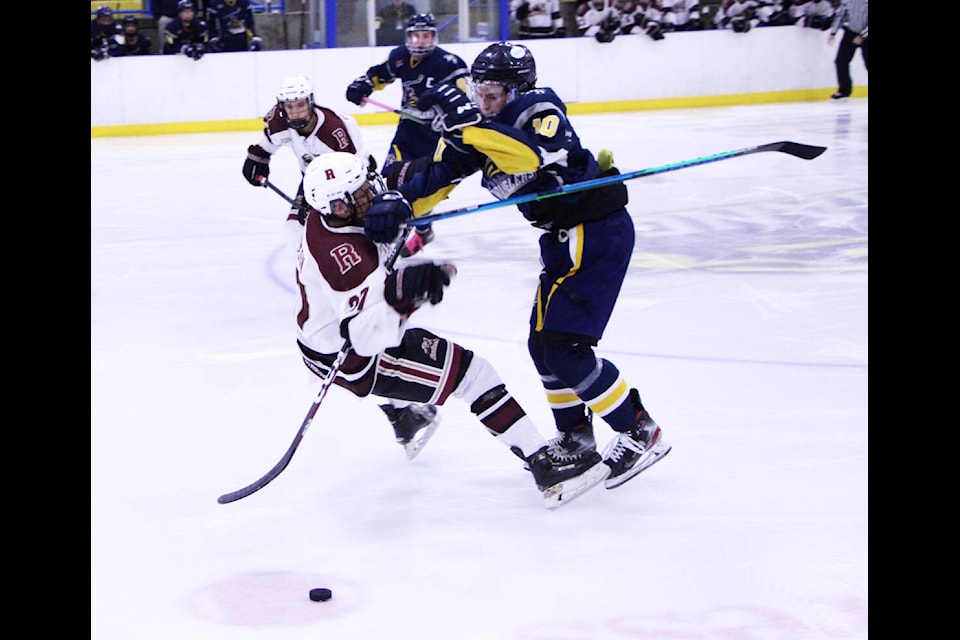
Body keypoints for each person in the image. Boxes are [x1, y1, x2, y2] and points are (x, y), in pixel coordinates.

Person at [361, 42, 672, 491]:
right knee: (543, 345)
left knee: (565, 347)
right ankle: (577, 437)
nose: (482, 102)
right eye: (478, 92)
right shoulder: (480, 126)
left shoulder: (538, 108)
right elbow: (437, 178)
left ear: (517, 88)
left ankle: (640, 429)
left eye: (493, 94)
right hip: (565, 238)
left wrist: (469, 128)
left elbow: (526, 156)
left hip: (596, 230)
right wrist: (400, 203)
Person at [295, 151, 609, 506]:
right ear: (336, 207)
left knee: (461, 372)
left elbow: (398, 186)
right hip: (352, 356)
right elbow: (365, 338)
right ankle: (546, 468)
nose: (370, 196)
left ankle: (405, 416)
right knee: (475, 376)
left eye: (367, 187)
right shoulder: (344, 257)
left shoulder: (335, 214)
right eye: (360, 196)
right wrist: (405, 295)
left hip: (327, 337)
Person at [345, 14, 470, 259]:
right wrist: (362, 86)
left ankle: (422, 230)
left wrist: (448, 116)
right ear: (408, 37)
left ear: (434, 37)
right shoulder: (400, 56)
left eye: (426, 36)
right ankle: (390, 234)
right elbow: (379, 74)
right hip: (408, 133)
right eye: (415, 36)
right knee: (386, 182)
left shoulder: (450, 63)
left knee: (419, 189)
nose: (421, 41)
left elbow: (467, 101)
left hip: (437, 140)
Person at [243, 74, 377, 250]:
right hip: (312, 182)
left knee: (353, 221)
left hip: (349, 183)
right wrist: (257, 159)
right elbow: (268, 143)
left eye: (300, 104)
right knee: (294, 228)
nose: (295, 111)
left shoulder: (334, 131)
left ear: (310, 102)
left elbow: (358, 170)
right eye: (289, 106)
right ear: (282, 106)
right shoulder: (279, 121)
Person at [827, 0, 867, 99]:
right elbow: (840, 15)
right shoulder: (847, 0)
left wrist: (863, 36)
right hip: (851, 32)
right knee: (841, 61)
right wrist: (833, 32)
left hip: (866, 34)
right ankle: (844, 90)